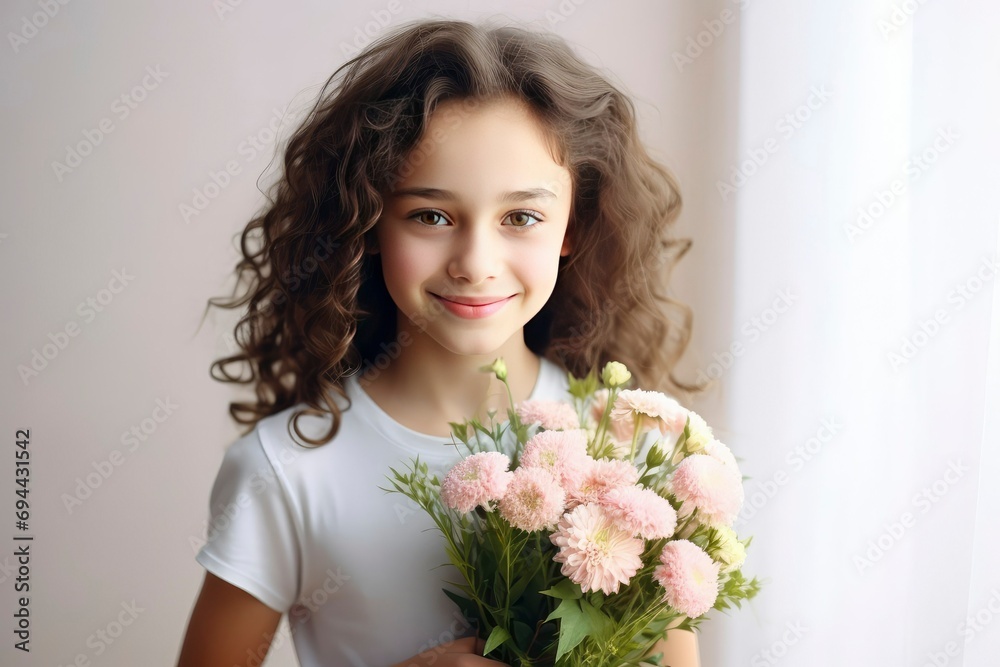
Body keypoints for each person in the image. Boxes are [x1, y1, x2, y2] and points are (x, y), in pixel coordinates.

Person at [176, 17, 704, 667]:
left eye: (521, 217)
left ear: (573, 225)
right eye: (431, 215)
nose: (475, 261)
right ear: (369, 222)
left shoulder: (632, 450)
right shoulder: (286, 471)